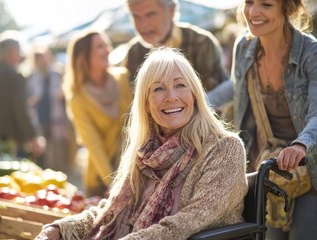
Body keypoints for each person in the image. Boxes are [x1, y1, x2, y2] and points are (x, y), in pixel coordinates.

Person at [36, 47, 247, 240]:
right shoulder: (146, 152)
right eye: (158, 89)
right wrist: (59, 229)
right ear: (145, 103)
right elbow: (111, 212)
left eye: (180, 85)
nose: (171, 97)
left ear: (194, 94)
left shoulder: (225, 149)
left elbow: (190, 221)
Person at [230, 0, 317, 239]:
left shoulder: (311, 52)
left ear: (287, 8)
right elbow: (234, 88)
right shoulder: (244, 47)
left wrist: (300, 145)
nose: (253, 12)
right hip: (270, 171)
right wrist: (194, 99)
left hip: (311, 170)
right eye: (249, 2)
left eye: (266, 4)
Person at [63, 30, 133, 197]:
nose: (108, 50)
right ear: (84, 56)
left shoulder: (122, 78)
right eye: (100, 46)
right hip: (101, 180)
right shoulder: (78, 98)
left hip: (132, 169)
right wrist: (114, 184)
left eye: (107, 45)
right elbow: (93, 145)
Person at [115, 0, 228, 91]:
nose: (143, 24)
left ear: (171, 11)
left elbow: (217, 97)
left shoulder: (201, 43)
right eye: (136, 16)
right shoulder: (134, 53)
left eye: (150, 14)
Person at [0, 31, 45, 158]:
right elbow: (21, 109)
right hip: (12, 139)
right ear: (10, 52)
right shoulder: (15, 76)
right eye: (18, 51)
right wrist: (33, 136)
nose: (20, 55)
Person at [26, 46, 74, 171]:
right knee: (41, 147)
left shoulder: (56, 74)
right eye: (38, 57)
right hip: (38, 116)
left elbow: (64, 93)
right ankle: (42, 169)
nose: (41, 60)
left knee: (57, 145)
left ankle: (58, 170)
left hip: (55, 115)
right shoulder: (30, 76)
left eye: (43, 57)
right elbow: (28, 98)